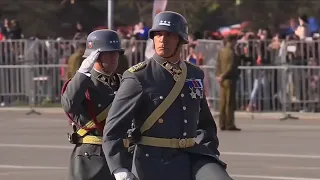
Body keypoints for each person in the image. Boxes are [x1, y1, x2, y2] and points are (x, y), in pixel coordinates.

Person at [103, 11, 232, 180]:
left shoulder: (194, 73)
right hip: (154, 161)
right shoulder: (138, 76)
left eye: (169, 35)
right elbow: (114, 128)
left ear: (181, 40)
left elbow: (205, 123)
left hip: (192, 155)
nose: (162, 40)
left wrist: (210, 153)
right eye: (158, 35)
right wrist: (118, 168)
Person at [61, 29, 131, 180]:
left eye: (116, 53)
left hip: (121, 157)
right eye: (108, 53)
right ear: (95, 56)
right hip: (91, 160)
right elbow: (69, 104)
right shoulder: (83, 84)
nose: (114, 57)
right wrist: (82, 73)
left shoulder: (124, 82)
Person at [215, 35, 241, 131]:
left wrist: (218, 76)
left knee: (222, 103)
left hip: (222, 80)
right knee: (229, 103)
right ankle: (230, 124)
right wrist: (223, 76)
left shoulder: (221, 51)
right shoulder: (232, 53)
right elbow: (231, 67)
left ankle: (222, 123)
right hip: (229, 79)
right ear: (233, 41)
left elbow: (217, 64)